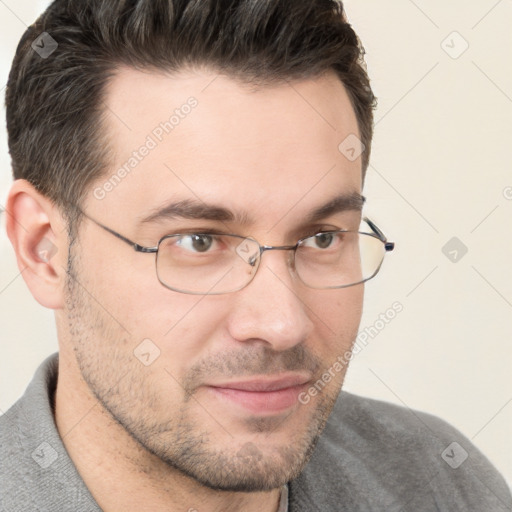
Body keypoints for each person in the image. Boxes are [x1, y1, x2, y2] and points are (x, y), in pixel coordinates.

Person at [1, 0, 510, 510]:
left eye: (322, 238)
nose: (282, 323)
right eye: (199, 241)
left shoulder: (444, 485)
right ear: (43, 249)